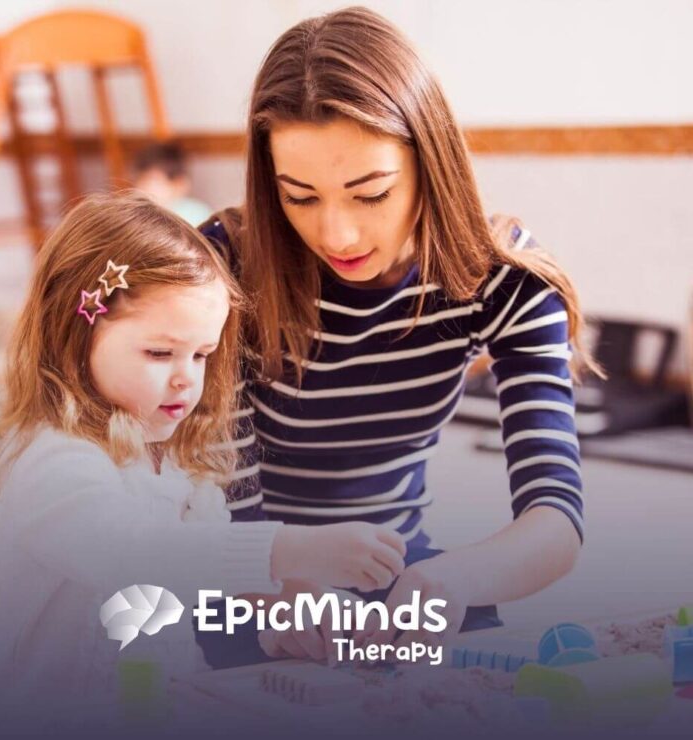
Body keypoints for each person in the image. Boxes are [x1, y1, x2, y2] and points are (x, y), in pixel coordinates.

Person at [198, 7, 597, 666]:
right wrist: (277, 589)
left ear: (429, 161)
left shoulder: (505, 281)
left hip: (398, 576)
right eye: (300, 197)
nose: (337, 235)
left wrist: (455, 582)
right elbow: (227, 504)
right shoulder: (222, 269)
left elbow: (555, 519)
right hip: (240, 578)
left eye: (371, 193)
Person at [0, 191, 405, 729]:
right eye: (159, 353)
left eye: (201, 355)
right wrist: (288, 549)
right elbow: (132, 555)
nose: (186, 377)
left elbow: (199, 580)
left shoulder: (178, 466)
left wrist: (281, 620)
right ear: (74, 336)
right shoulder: (52, 461)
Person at [131, 141, 212, 226]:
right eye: (138, 180)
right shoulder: (136, 213)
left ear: (180, 184)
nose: (141, 188)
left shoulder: (198, 215)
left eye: (152, 180)